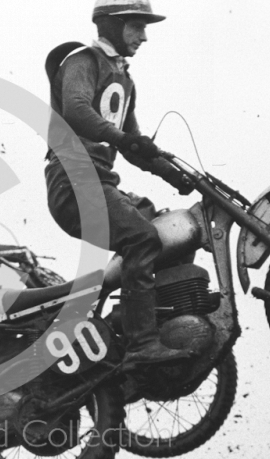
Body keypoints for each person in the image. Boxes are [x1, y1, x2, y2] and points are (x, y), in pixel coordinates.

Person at [44, 0, 196, 366]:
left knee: (167, 231)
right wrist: (126, 140)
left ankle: (150, 325)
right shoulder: (83, 61)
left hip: (101, 184)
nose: (144, 36)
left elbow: (134, 144)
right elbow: (77, 109)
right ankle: (141, 344)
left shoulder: (124, 78)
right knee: (142, 238)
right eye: (136, 26)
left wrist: (177, 175)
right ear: (112, 24)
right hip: (74, 182)